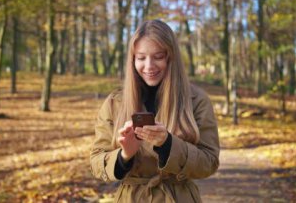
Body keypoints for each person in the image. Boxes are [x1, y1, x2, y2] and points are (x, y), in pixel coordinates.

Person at [90, 19, 220, 203]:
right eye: (141, 58)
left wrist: (167, 144)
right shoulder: (115, 102)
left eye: (158, 56)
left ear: (170, 57)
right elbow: (96, 161)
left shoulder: (196, 100)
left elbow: (209, 163)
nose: (149, 66)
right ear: (132, 59)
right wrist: (124, 155)